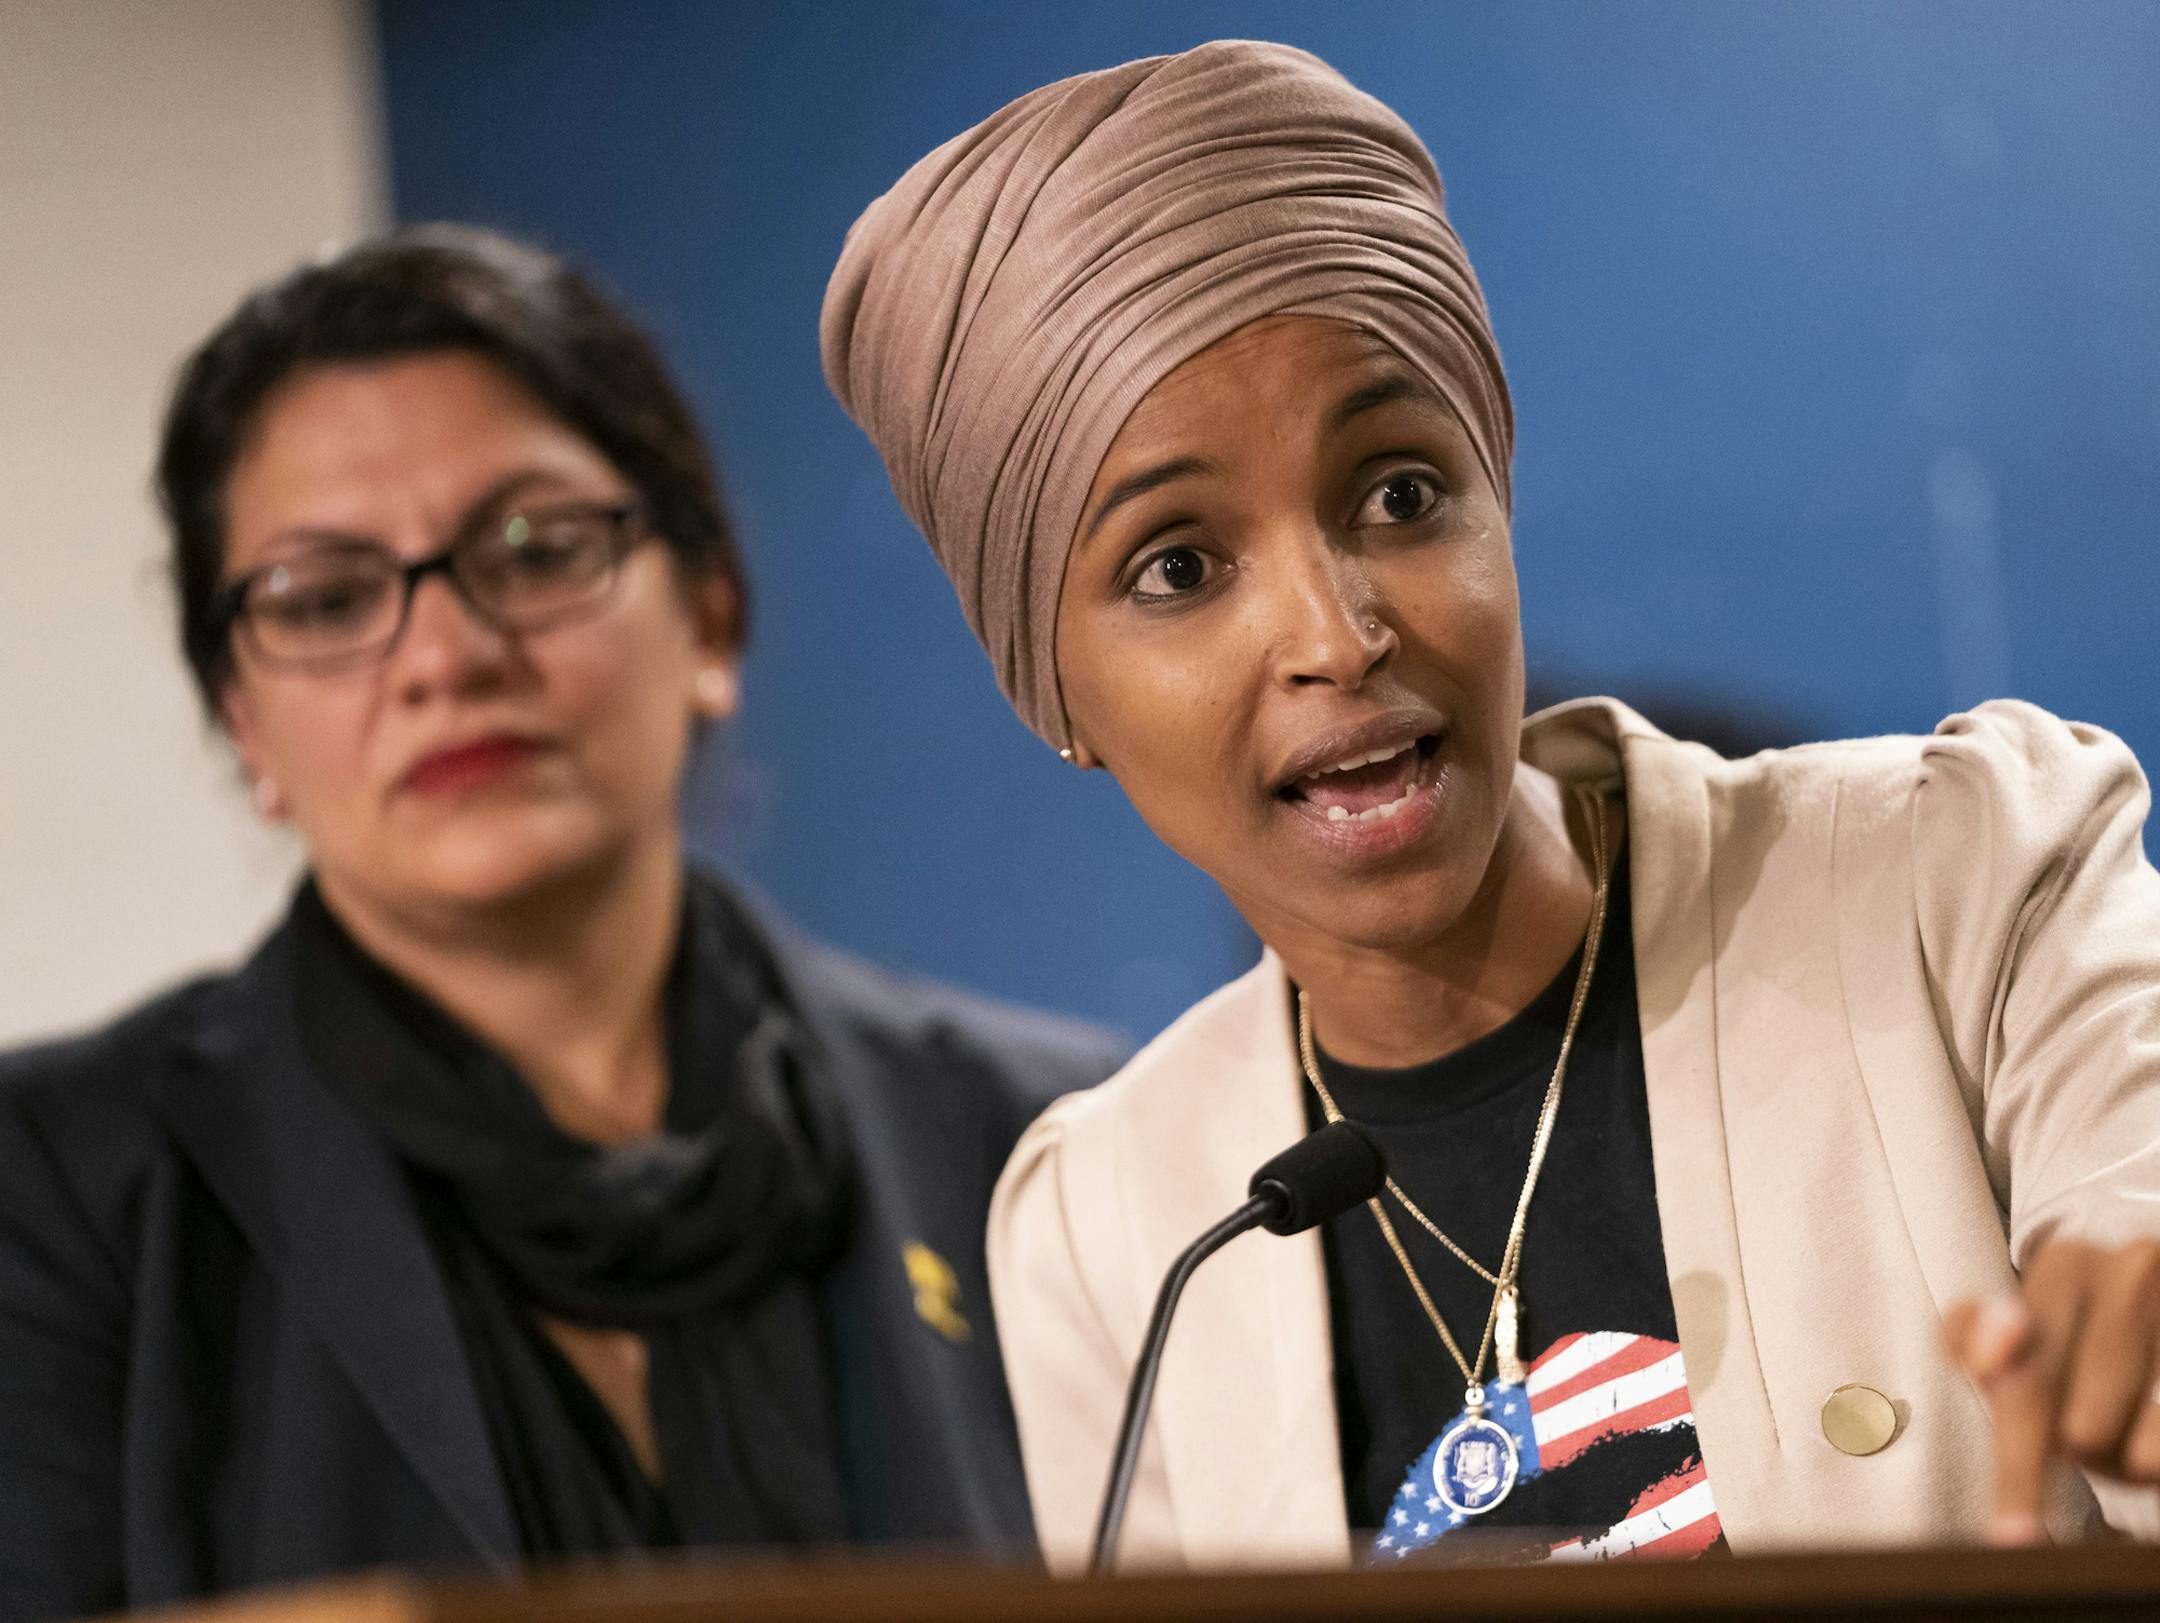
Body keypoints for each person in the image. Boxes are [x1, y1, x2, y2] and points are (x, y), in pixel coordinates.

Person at [821, 41, 2160, 1571]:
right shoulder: (1111, 1229)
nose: (1336, 636)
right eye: (1179, 567)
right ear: (1049, 692)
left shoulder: (1966, 881)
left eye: (1397, 492)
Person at [0, 224, 1126, 1620]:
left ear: (708, 617)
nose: (448, 654)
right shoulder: (51, 1198)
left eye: (534, 550)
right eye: (327, 598)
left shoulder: (1066, 1140)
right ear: (247, 728)